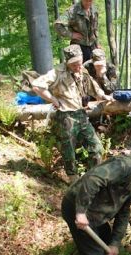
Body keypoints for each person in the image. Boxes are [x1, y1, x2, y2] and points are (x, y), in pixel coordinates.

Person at [32, 45, 112, 183]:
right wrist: (53, 99)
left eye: (80, 63)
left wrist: (104, 95)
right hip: (66, 116)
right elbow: (37, 85)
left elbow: (93, 86)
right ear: (67, 63)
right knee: (69, 149)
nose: (78, 67)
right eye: (74, 64)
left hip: (81, 114)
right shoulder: (57, 72)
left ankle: (93, 177)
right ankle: (73, 179)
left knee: (96, 146)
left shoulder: (82, 70)